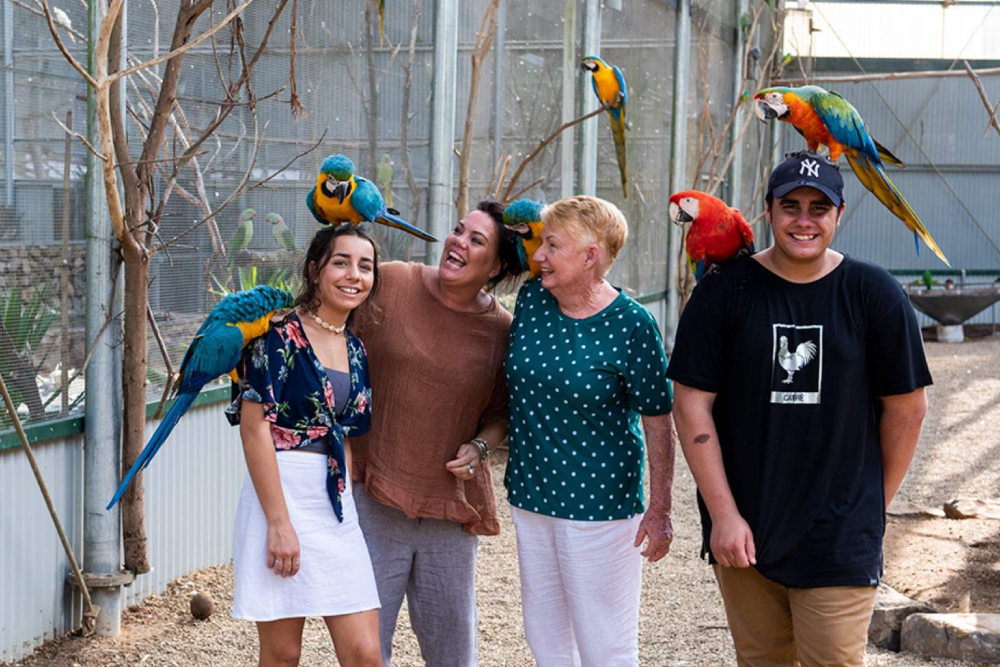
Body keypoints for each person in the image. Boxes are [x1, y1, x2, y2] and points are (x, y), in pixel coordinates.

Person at [667, 151, 932, 667]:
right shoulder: (724, 291)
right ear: (768, 210)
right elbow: (691, 404)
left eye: (819, 207)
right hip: (745, 529)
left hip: (839, 535)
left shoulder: (873, 292)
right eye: (791, 206)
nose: (804, 220)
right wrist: (724, 515)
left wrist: (869, 506)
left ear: (839, 214)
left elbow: (908, 409)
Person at [504, 195, 676, 666]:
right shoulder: (533, 300)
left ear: (589, 256)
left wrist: (660, 507)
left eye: (552, 245)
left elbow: (658, 419)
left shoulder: (632, 324)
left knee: (606, 645)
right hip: (530, 498)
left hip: (599, 506)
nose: (539, 255)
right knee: (546, 640)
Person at [349, 200, 523, 667]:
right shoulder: (392, 282)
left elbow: (501, 415)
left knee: (453, 654)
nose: (457, 242)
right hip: (375, 495)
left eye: (475, 240)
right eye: (458, 230)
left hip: (449, 506)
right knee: (364, 650)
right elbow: (333, 343)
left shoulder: (502, 331)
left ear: (497, 267)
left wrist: (481, 447)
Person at [227, 224, 382, 667]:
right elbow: (254, 429)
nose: (354, 275)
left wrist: (346, 501)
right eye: (341, 262)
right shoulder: (276, 335)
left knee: (365, 653)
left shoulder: (356, 349)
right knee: (283, 654)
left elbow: (345, 433)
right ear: (315, 270)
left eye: (365, 266)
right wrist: (279, 523)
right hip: (281, 493)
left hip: (334, 505)